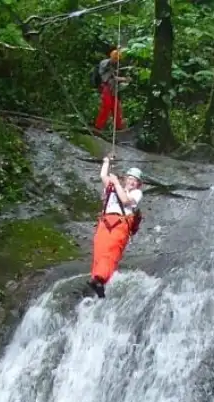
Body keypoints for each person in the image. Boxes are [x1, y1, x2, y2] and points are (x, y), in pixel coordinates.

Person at [88, 156, 144, 298]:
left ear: (138, 184)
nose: (131, 181)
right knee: (100, 249)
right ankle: (97, 280)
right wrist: (106, 162)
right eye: (130, 178)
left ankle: (100, 278)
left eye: (135, 180)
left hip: (120, 224)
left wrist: (117, 183)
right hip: (105, 222)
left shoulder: (136, 193)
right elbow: (103, 176)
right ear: (126, 179)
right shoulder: (114, 187)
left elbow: (125, 201)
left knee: (111, 251)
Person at [94, 49, 129, 132]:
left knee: (116, 107)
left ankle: (119, 126)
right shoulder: (105, 63)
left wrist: (125, 78)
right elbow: (110, 76)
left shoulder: (117, 65)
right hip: (105, 86)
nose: (116, 61)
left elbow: (116, 77)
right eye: (115, 59)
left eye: (117, 59)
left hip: (113, 88)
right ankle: (98, 126)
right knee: (106, 105)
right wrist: (123, 79)